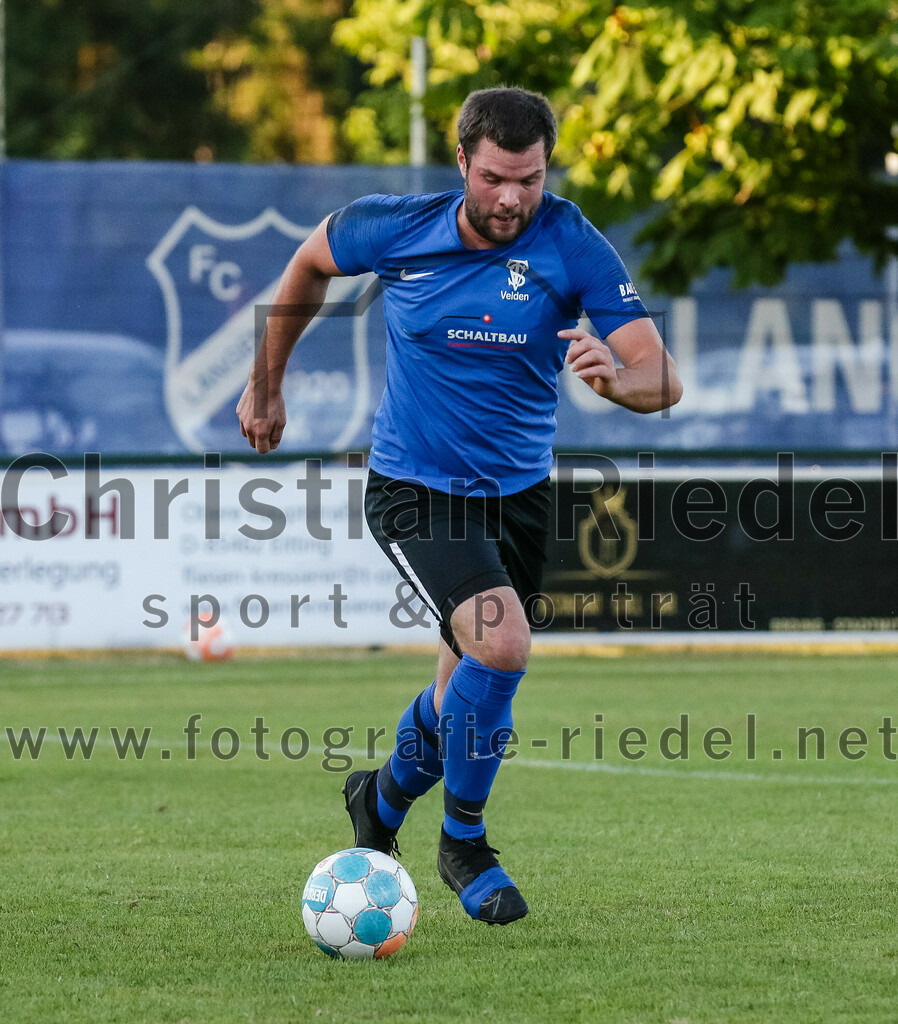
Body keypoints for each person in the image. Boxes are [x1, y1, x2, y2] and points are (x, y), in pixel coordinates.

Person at [237, 87, 682, 926]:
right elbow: (306, 265)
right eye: (494, 179)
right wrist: (266, 384)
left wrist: (615, 381)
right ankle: (464, 843)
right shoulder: (395, 227)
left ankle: (379, 800)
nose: (512, 198)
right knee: (503, 644)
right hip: (415, 489)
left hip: (518, 499)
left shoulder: (570, 240)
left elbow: (663, 379)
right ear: (462, 164)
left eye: (530, 179)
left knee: (464, 684)